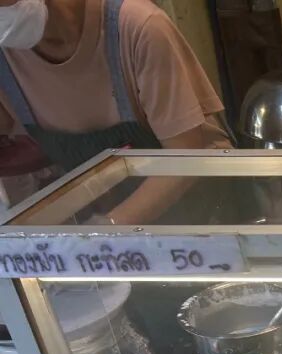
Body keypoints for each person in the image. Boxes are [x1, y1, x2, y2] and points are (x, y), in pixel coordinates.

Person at [0, 0, 230, 223]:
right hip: (113, 221)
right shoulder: (6, 50)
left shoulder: (138, 27)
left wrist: (107, 229)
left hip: (205, 212)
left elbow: (184, 157)